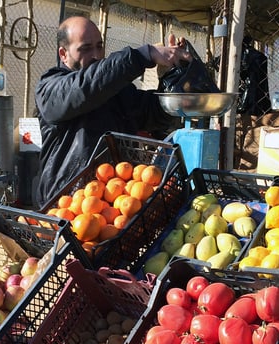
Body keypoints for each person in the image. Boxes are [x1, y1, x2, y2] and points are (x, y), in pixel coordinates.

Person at [34, 16, 193, 208]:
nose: (96, 54)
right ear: (63, 54)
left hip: (117, 204)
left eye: (99, 46)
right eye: (85, 48)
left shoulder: (116, 90)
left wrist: (173, 76)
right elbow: (86, 86)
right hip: (66, 206)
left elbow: (154, 113)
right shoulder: (50, 89)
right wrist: (144, 55)